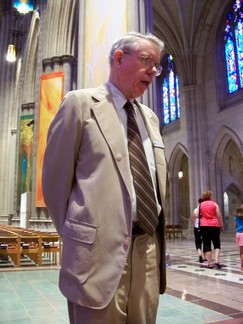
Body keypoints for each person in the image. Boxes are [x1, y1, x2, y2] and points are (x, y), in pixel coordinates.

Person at [42, 31, 167, 324]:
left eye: (157, 65)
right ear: (119, 59)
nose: (153, 70)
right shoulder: (80, 104)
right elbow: (55, 184)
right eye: (146, 60)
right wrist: (80, 236)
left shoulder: (150, 118)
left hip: (147, 251)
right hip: (96, 255)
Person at [199, 191, 224, 269]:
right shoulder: (214, 204)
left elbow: (197, 215)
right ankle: (217, 260)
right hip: (215, 225)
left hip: (204, 225)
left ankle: (209, 263)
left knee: (207, 244)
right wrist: (222, 226)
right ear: (210, 196)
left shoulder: (200, 205)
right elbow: (219, 216)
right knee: (217, 243)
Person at [192, 198, 206, 263]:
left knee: (198, 241)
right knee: (205, 241)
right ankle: (204, 256)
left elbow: (194, 219)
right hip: (204, 227)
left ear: (198, 202)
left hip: (197, 227)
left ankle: (200, 253)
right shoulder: (205, 209)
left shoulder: (195, 209)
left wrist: (194, 227)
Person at [234, 205, 243, 271]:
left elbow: (235, 226)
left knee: (241, 252)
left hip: (238, 234)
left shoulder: (236, 217)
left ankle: (242, 266)